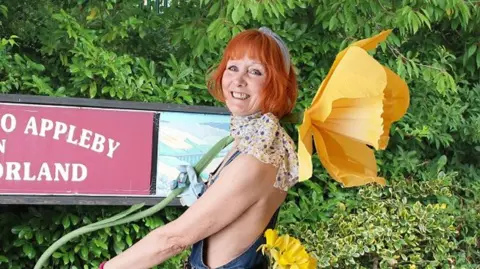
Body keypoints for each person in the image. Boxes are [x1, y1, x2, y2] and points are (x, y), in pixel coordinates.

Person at [101, 27, 299, 269]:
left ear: (276, 84)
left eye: (255, 72)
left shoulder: (259, 157)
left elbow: (173, 240)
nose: (238, 80)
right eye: (233, 67)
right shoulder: (254, 143)